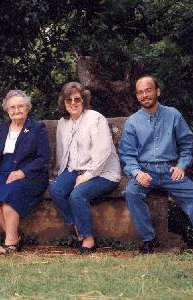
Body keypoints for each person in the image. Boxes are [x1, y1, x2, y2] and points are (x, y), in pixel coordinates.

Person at [118, 75, 193, 254]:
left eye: (148, 90)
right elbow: (127, 154)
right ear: (137, 96)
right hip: (145, 171)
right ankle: (149, 239)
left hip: (171, 171)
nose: (144, 95)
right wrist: (137, 173)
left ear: (157, 91)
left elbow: (186, 144)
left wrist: (182, 165)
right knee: (131, 193)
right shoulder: (132, 122)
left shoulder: (173, 115)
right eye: (140, 92)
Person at [49, 82, 121, 255]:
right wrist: (59, 175)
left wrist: (87, 176)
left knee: (77, 195)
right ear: (63, 103)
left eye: (77, 99)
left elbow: (103, 153)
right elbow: (62, 152)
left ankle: (88, 240)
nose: (73, 103)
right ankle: (77, 227)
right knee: (56, 190)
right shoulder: (63, 122)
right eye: (68, 100)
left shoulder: (95, 118)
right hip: (75, 170)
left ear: (84, 100)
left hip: (103, 173)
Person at [0, 90, 50, 254]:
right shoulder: (0, 129)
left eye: (20, 106)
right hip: (3, 172)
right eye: (12, 107)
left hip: (31, 172)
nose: (16, 110)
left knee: (10, 197)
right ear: (7, 110)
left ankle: (10, 243)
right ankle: (15, 237)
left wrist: (23, 172)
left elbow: (43, 157)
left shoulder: (37, 128)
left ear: (27, 108)